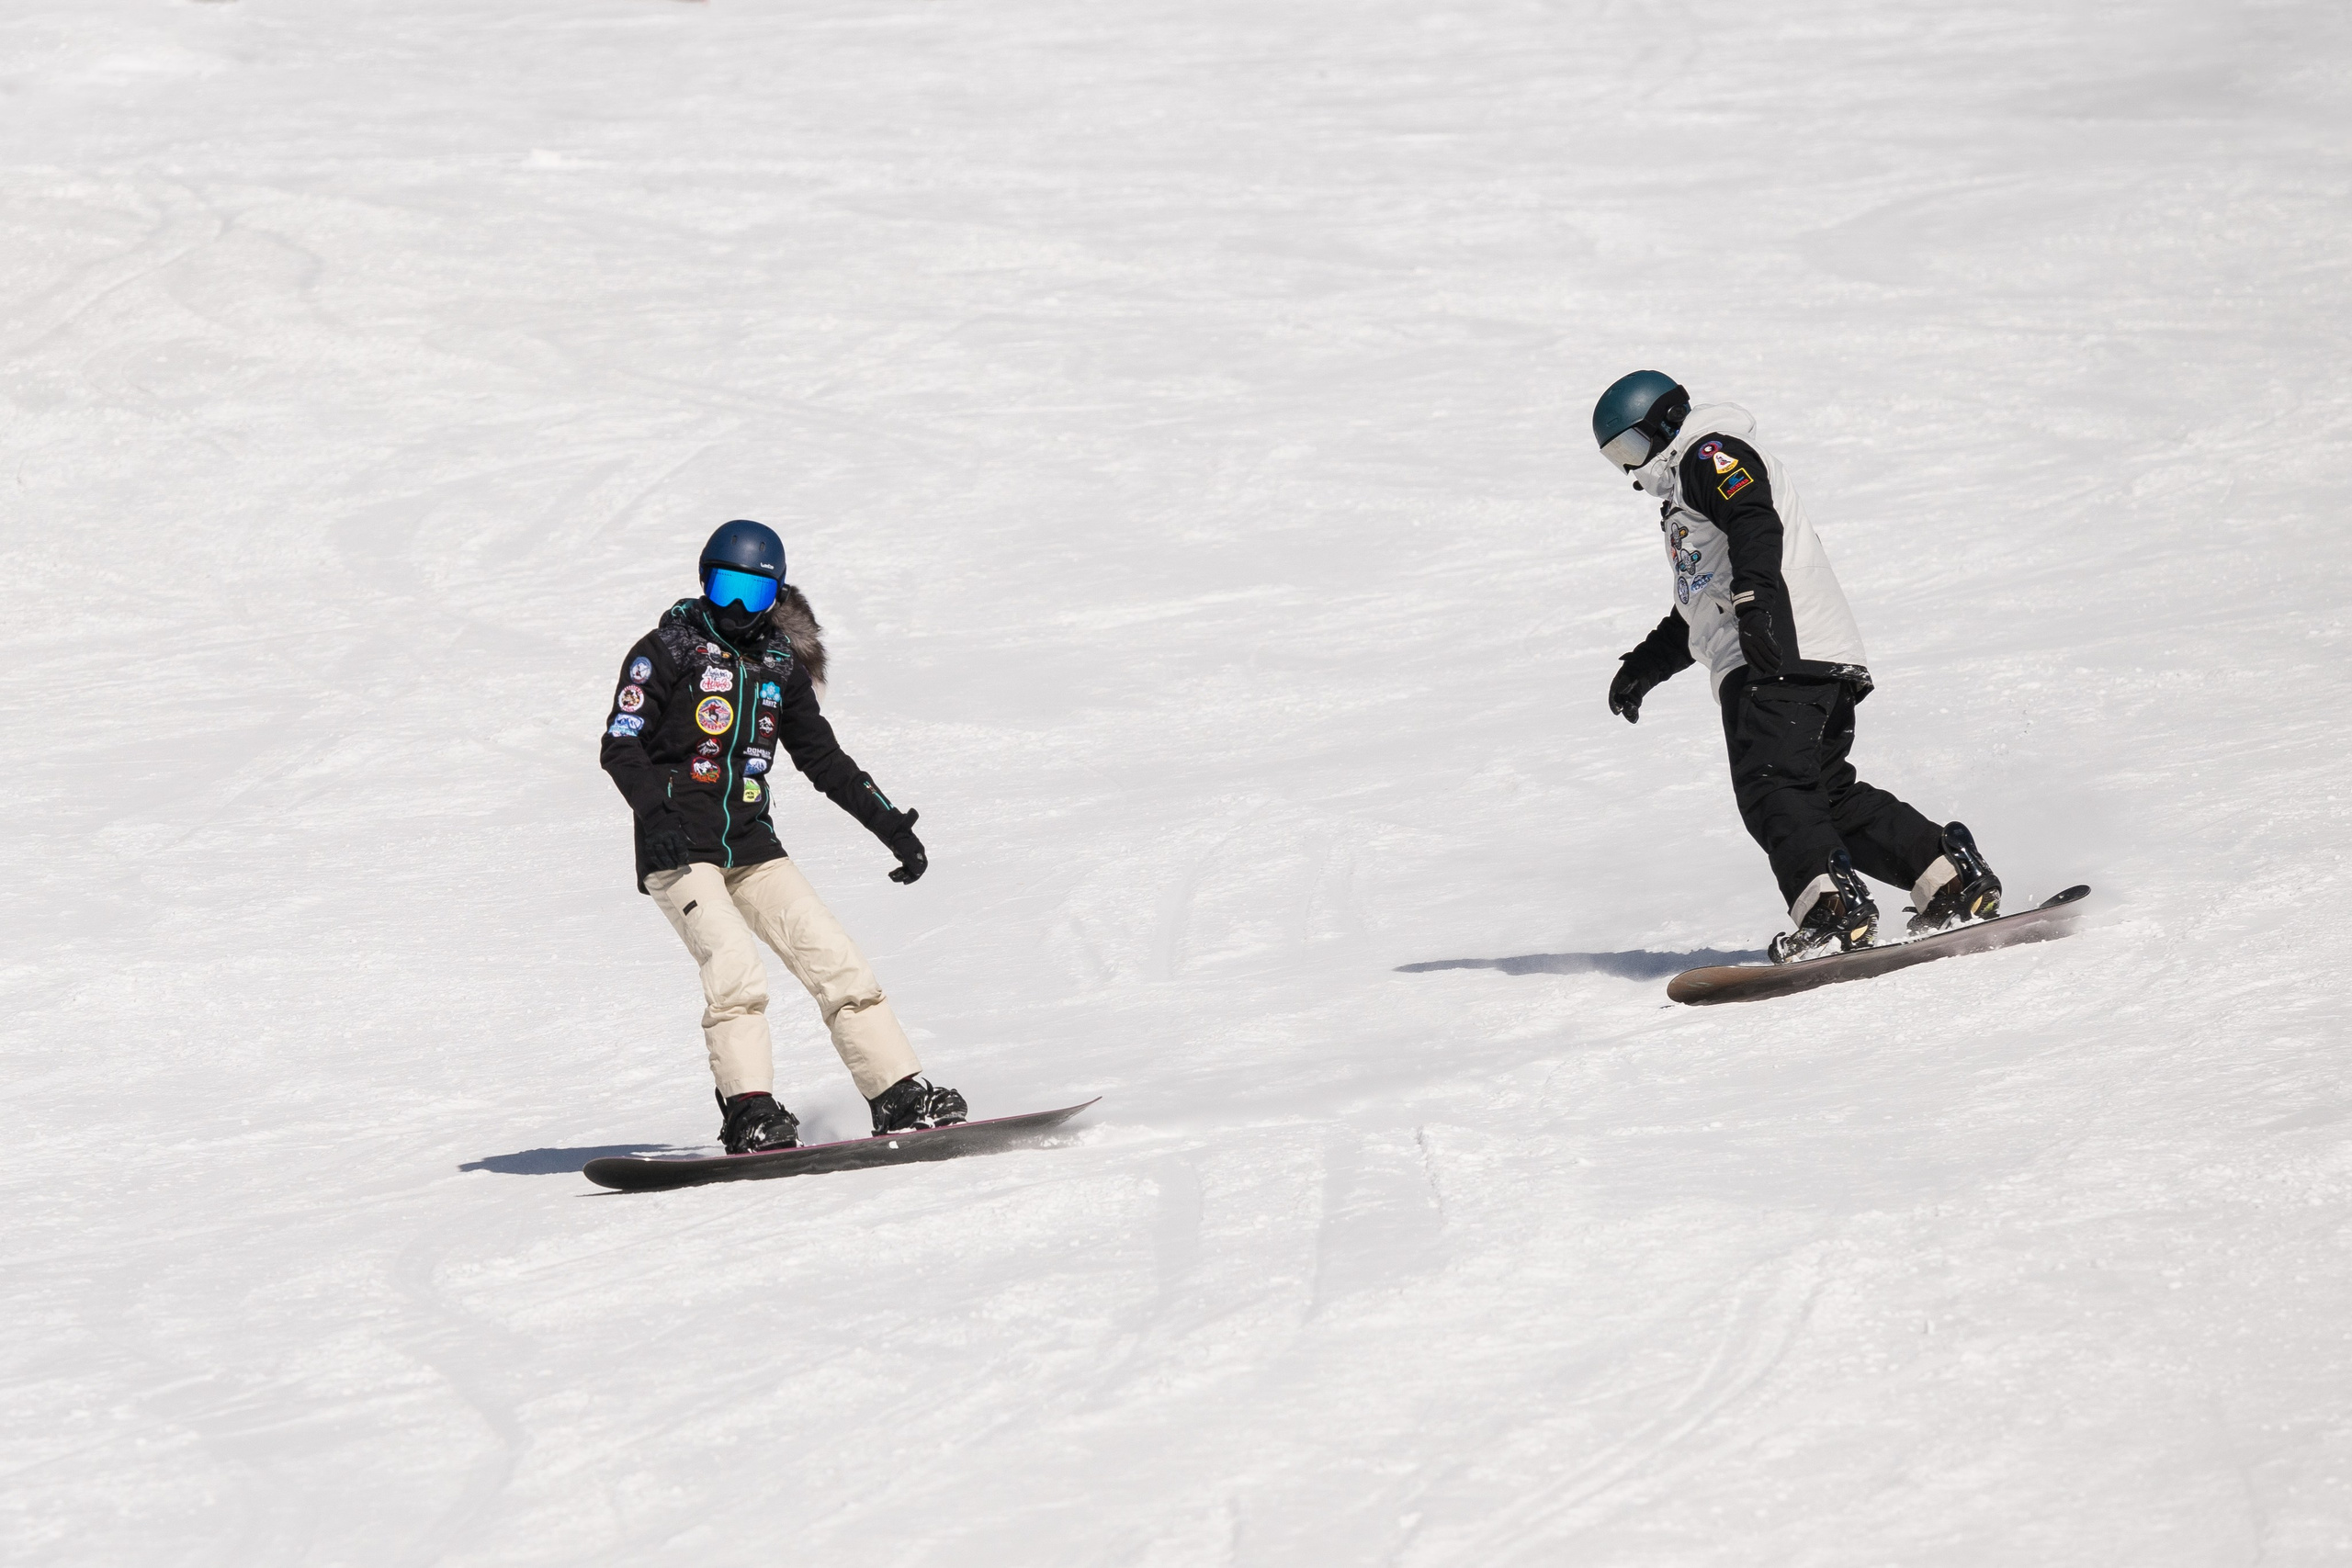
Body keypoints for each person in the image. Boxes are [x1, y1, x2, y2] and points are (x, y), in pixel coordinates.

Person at [1591, 372, 2003, 962]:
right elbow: (1701, 606)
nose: (1632, 468)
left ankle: (1830, 910)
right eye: (1617, 458)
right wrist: (1644, 667)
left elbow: (1754, 521)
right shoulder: (1685, 491)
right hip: (1803, 650)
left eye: (1633, 446)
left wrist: (1756, 602)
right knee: (1825, 797)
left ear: (1666, 422)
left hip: (1773, 652)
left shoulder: (1710, 453)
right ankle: (1946, 876)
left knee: (1772, 786)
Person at [599, 520, 967, 1151]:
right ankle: (750, 1110)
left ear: (776, 596)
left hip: (753, 846)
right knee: (735, 970)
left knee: (836, 961)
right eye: (726, 587)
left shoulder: (778, 665)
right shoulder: (665, 651)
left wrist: (890, 825)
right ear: (704, 581)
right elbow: (621, 742)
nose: (739, 607)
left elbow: (823, 758)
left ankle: (897, 1092)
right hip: (678, 848)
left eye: (755, 593)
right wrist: (655, 818)